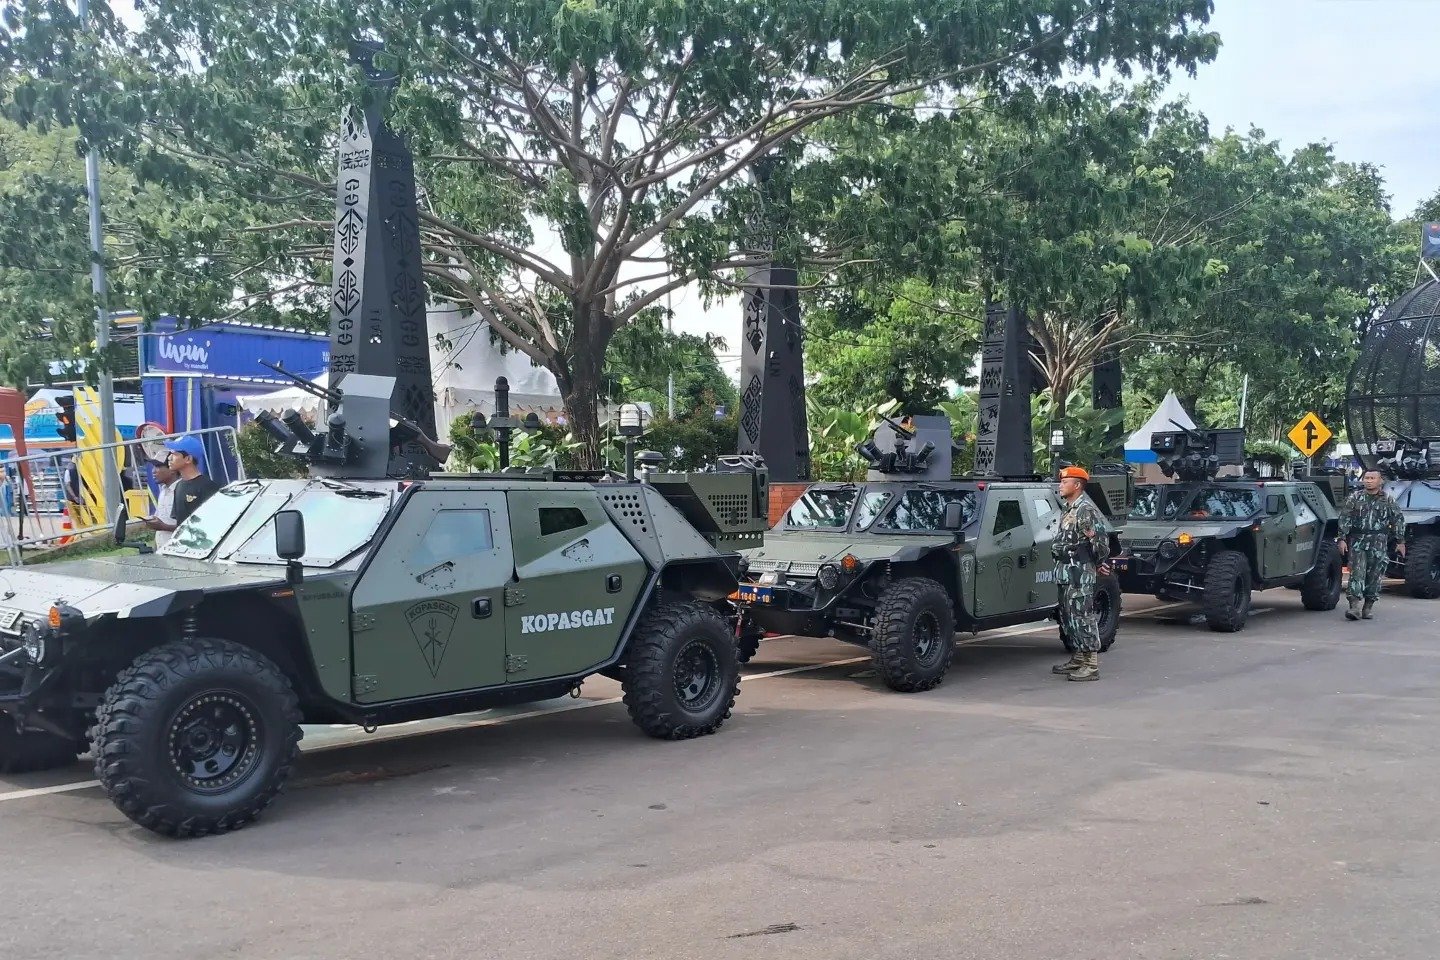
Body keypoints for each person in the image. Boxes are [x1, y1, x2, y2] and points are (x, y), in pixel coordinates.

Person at [1051, 465, 1112, 681]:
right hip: (1066, 571)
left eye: (1064, 482)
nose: (1060, 485)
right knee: (1068, 616)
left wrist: (1096, 562)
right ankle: (1078, 658)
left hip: (1079, 571)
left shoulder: (1086, 509)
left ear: (1077, 485)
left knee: (1083, 616)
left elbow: (1101, 542)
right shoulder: (1070, 508)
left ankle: (1091, 665)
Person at [1338, 468, 1405, 621]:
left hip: (1379, 542)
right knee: (1357, 573)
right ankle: (1354, 607)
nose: (1368, 481)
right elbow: (1344, 518)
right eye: (1366, 478)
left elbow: (1398, 520)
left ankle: (1368, 607)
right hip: (1358, 541)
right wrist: (1341, 538)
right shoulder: (1354, 498)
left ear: (1380, 480)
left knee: (1375, 575)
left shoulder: (1388, 500)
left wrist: (1400, 541)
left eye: (1372, 478)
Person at [155, 435, 220, 532]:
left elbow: (214, 522)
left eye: (174, 454)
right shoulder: (179, 486)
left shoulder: (207, 486)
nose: (169, 458)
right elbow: (180, 524)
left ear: (188, 459)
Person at [139, 457, 180, 548]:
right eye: (153, 467)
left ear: (172, 469)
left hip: (178, 549)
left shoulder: (182, 491)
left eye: (158, 467)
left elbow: (189, 526)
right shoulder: (163, 490)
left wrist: (164, 527)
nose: (153, 471)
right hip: (162, 548)